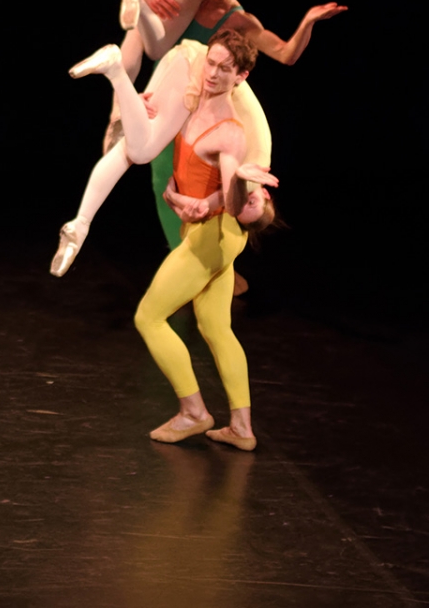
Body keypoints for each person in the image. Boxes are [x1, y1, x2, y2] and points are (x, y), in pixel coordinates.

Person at [51, 0, 342, 277]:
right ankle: (120, 78)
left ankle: (80, 225)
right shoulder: (256, 156)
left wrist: (307, 22)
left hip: (183, 89)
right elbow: (231, 198)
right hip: (185, 77)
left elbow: (285, 54)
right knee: (141, 143)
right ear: (265, 193)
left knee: (133, 150)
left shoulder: (237, 22)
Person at [69, 30, 277, 452]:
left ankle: (194, 412)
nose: (212, 74)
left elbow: (233, 204)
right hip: (212, 233)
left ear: (241, 77)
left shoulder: (230, 132)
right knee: (216, 328)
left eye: (224, 69)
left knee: (149, 317)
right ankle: (241, 427)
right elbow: (159, 123)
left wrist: (238, 182)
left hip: (213, 237)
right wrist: (145, 105)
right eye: (211, 63)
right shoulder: (194, 100)